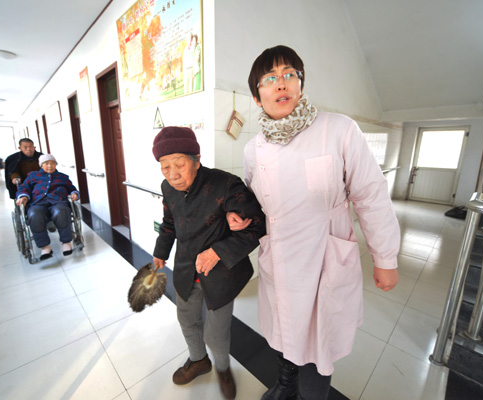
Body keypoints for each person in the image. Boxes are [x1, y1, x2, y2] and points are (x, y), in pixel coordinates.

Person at [229, 45, 401, 400]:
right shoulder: (254, 148)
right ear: (257, 96)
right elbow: (253, 201)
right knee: (282, 334)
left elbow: (370, 194)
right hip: (279, 262)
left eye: (289, 74)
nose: (281, 84)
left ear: (301, 84)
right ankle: (286, 384)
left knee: (317, 349)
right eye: (270, 78)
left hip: (325, 259)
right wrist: (239, 214)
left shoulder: (338, 130)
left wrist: (385, 257)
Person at [151, 126, 265, 400]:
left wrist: (217, 251)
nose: (172, 174)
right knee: (186, 319)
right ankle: (199, 360)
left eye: (179, 164)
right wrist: (160, 252)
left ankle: (223, 369)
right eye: (164, 167)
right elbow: (169, 223)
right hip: (186, 269)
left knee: (216, 333)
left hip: (221, 274)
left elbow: (257, 226)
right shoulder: (168, 188)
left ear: (197, 159)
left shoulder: (226, 185)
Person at [15, 154, 79, 260]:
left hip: (58, 202)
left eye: (52, 163)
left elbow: (71, 188)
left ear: (56, 164)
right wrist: (23, 197)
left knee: (61, 211)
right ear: (41, 165)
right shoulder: (33, 176)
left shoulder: (63, 177)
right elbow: (24, 188)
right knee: (34, 214)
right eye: (46, 164)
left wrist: (74, 193)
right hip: (37, 203)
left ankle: (66, 242)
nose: (50, 166)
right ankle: (45, 247)